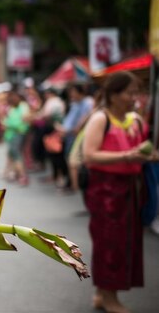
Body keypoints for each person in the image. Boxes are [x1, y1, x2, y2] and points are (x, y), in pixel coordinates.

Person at [82, 71, 154, 313]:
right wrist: (127, 156)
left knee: (125, 242)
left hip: (131, 188)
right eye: (129, 93)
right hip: (106, 189)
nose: (134, 98)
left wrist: (148, 156)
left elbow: (141, 152)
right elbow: (89, 155)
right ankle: (109, 297)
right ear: (113, 95)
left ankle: (103, 294)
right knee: (109, 242)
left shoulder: (136, 120)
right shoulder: (100, 118)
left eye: (136, 92)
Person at [2, 89, 30, 186]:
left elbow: (24, 120)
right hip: (11, 134)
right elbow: (8, 119)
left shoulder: (23, 106)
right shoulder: (12, 107)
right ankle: (12, 172)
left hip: (18, 133)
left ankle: (22, 175)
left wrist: (9, 124)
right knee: (12, 153)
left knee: (16, 153)